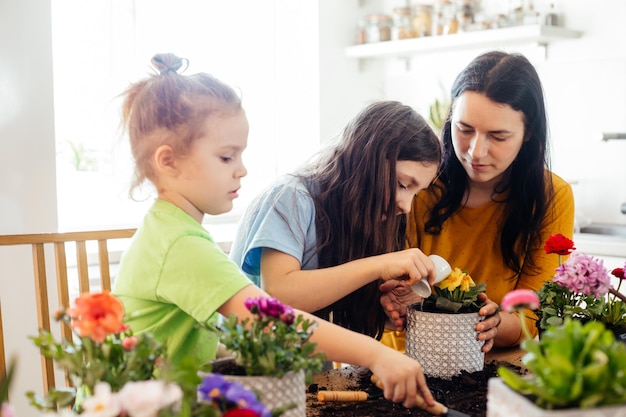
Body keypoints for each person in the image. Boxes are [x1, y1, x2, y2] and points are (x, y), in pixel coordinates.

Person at [111, 53, 435, 409]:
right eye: (226, 157)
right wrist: (377, 354)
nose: (242, 170)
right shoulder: (179, 244)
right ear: (168, 161)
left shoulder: (176, 234)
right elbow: (267, 319)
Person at [386, 50, 575, 350]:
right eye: (464, 129)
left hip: (496, 368)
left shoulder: (552, 196)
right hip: (402, 361)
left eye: (498, 136)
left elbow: (530, 317)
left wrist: (495, 322)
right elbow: (388, 298)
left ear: (528, 134)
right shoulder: (416, 183)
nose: (475, 151)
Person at [229, 100, 443, 341]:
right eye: (402, 185)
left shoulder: (362, 218)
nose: (406, 206)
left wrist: (381, 309)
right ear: (367, 161)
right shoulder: (291, 197)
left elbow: (326, 311)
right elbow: (279, 295)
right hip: (251, 366)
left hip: (309, 365)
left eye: (416, 193)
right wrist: (378, 266)